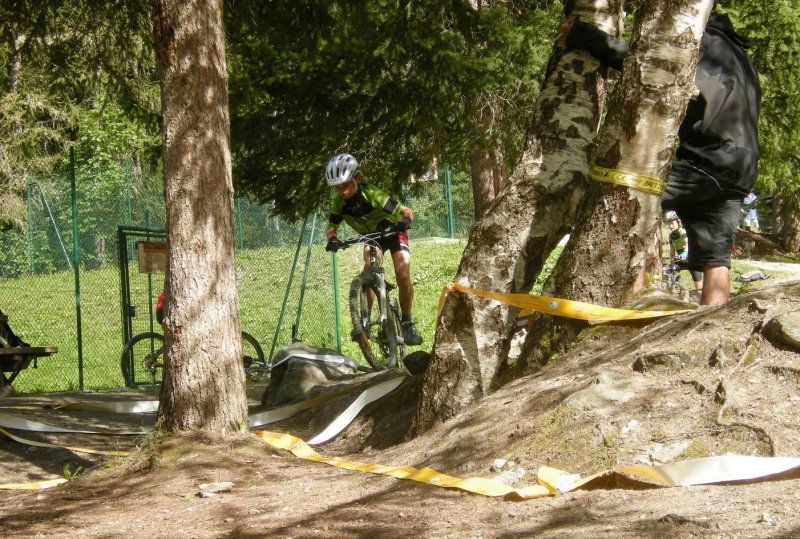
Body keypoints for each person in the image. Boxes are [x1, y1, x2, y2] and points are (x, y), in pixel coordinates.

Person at [561, 8, 761, 306]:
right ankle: (709, 329)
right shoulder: (741, 58)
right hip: (741, 170)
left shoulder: (699, 39)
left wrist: (583, 36)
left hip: (707, 159)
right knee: (715, 259)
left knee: (631, 199)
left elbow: (648, 65)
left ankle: (628, 301)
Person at [324, 153, 423, 346]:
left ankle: (408, 321)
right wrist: (333, 239)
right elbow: (331, 228)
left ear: (357, 179)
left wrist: (405, 220)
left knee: (402, 274)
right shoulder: (338, 203)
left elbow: (405, 211)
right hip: (372, 238)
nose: (341, 191)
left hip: (393, 233)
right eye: (337, 187)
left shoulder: (373, 194)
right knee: (368, 272)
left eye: (344, 185)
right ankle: (364, 322)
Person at [665, 211, 703, 292]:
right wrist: (671, 260)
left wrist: (685, 253)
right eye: (669, 224)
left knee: (699, 287)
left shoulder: (683, 231)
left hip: (692, 261)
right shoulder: (671, 236)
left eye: (672, 223)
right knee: (668, 270)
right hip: (682, 261)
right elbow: (672, 249)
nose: (670, 226)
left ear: (678, 222)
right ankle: (670, 290)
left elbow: (688, 243)